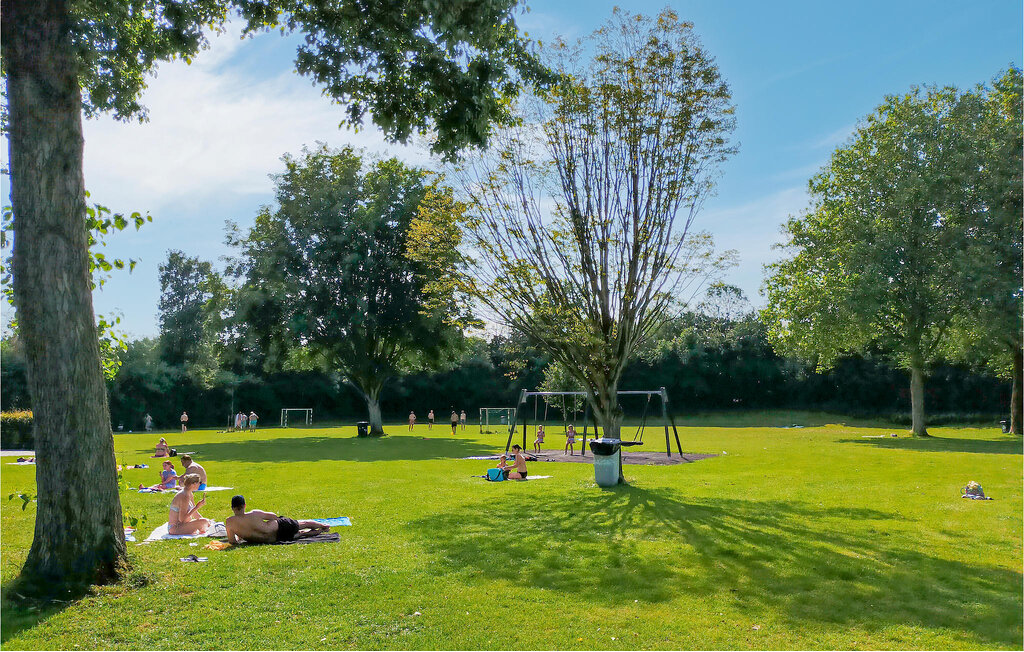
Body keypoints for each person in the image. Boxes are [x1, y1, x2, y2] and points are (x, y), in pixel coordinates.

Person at [225, 495, 329, 544]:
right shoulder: (254, 514)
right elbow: (274, 516)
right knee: (303, 523)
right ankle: (323, 526)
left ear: (232, 507)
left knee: (301, 534)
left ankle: (320, 530)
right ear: (245, 505)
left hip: (274, 539)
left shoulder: (230, 522)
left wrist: (241, 536)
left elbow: (232, 541)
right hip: (278, 528)